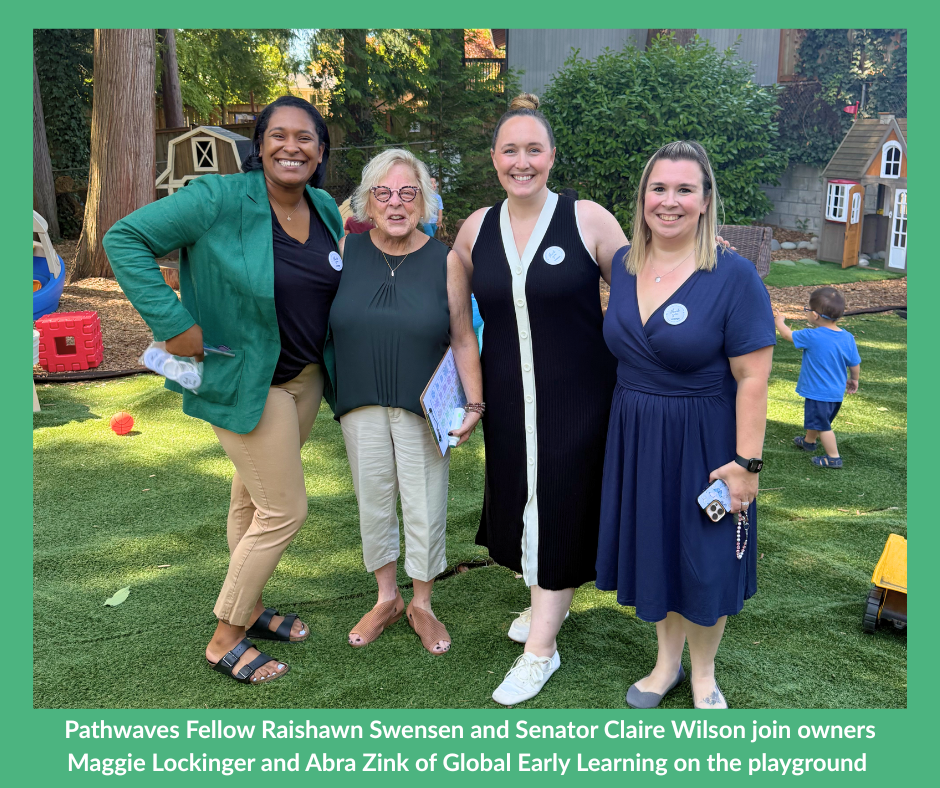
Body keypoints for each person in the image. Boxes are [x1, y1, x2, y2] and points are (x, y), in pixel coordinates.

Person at [103, 95, 344, 685]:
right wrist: (174, 324)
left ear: (320, 153)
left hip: (304, 379)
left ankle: (252, 606)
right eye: (279, 136)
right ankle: (225, 637)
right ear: (258, 146)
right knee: (285, 509)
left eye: (306, 138)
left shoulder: (325, 208)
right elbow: (124, 239)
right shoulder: (217, 198)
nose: (293, 147)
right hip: (243, 377)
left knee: (251, 499)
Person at [452, 93, 627, 704]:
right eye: (510, 150)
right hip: (506, 399)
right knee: (524, 503)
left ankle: (541, 649)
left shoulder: (588, 219)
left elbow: (641, 296)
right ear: (494, 158)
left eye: (534, 149)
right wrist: (473, 402)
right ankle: (545, 602)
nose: (521, 161)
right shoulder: (474, 230)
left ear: (552, 156)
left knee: (559, 501)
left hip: (578, 398)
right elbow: (460, 330)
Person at [596, 140, 775, 710]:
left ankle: (704, 673)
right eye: (658, 188)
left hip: (706, 441)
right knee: (658, 551)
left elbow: (753, 378)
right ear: (642, 196)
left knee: (706, 557)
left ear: (705, 200)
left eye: (684, 189)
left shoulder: (733, 275)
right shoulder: (623, 265)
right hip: (637, 437)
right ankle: (666, 665)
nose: (669, 201)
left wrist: (747, 466)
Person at [330, 148, 483, 655]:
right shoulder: (345, 251)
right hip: (360, 401)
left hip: (423, 408)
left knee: (423, 503)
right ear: (367, 204)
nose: (396, 204)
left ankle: (423, 603)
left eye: (407, 193)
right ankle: (386, 598)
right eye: (384, 193)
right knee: (374, 501)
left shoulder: (446, 261)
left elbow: (464, 337)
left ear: (424, 201)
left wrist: (475, 407)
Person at [774, 287, 861, 469]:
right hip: (835, 393)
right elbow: (854, 363)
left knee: (823, 425)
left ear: (815, 315)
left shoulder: (812, 335)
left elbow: (786, 335)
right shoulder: (847, 337)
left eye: (807, 310)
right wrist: (854, 379)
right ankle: (809, 441)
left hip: (818, 393)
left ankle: (833, 457)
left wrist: (779, 321)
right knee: (818, 419)